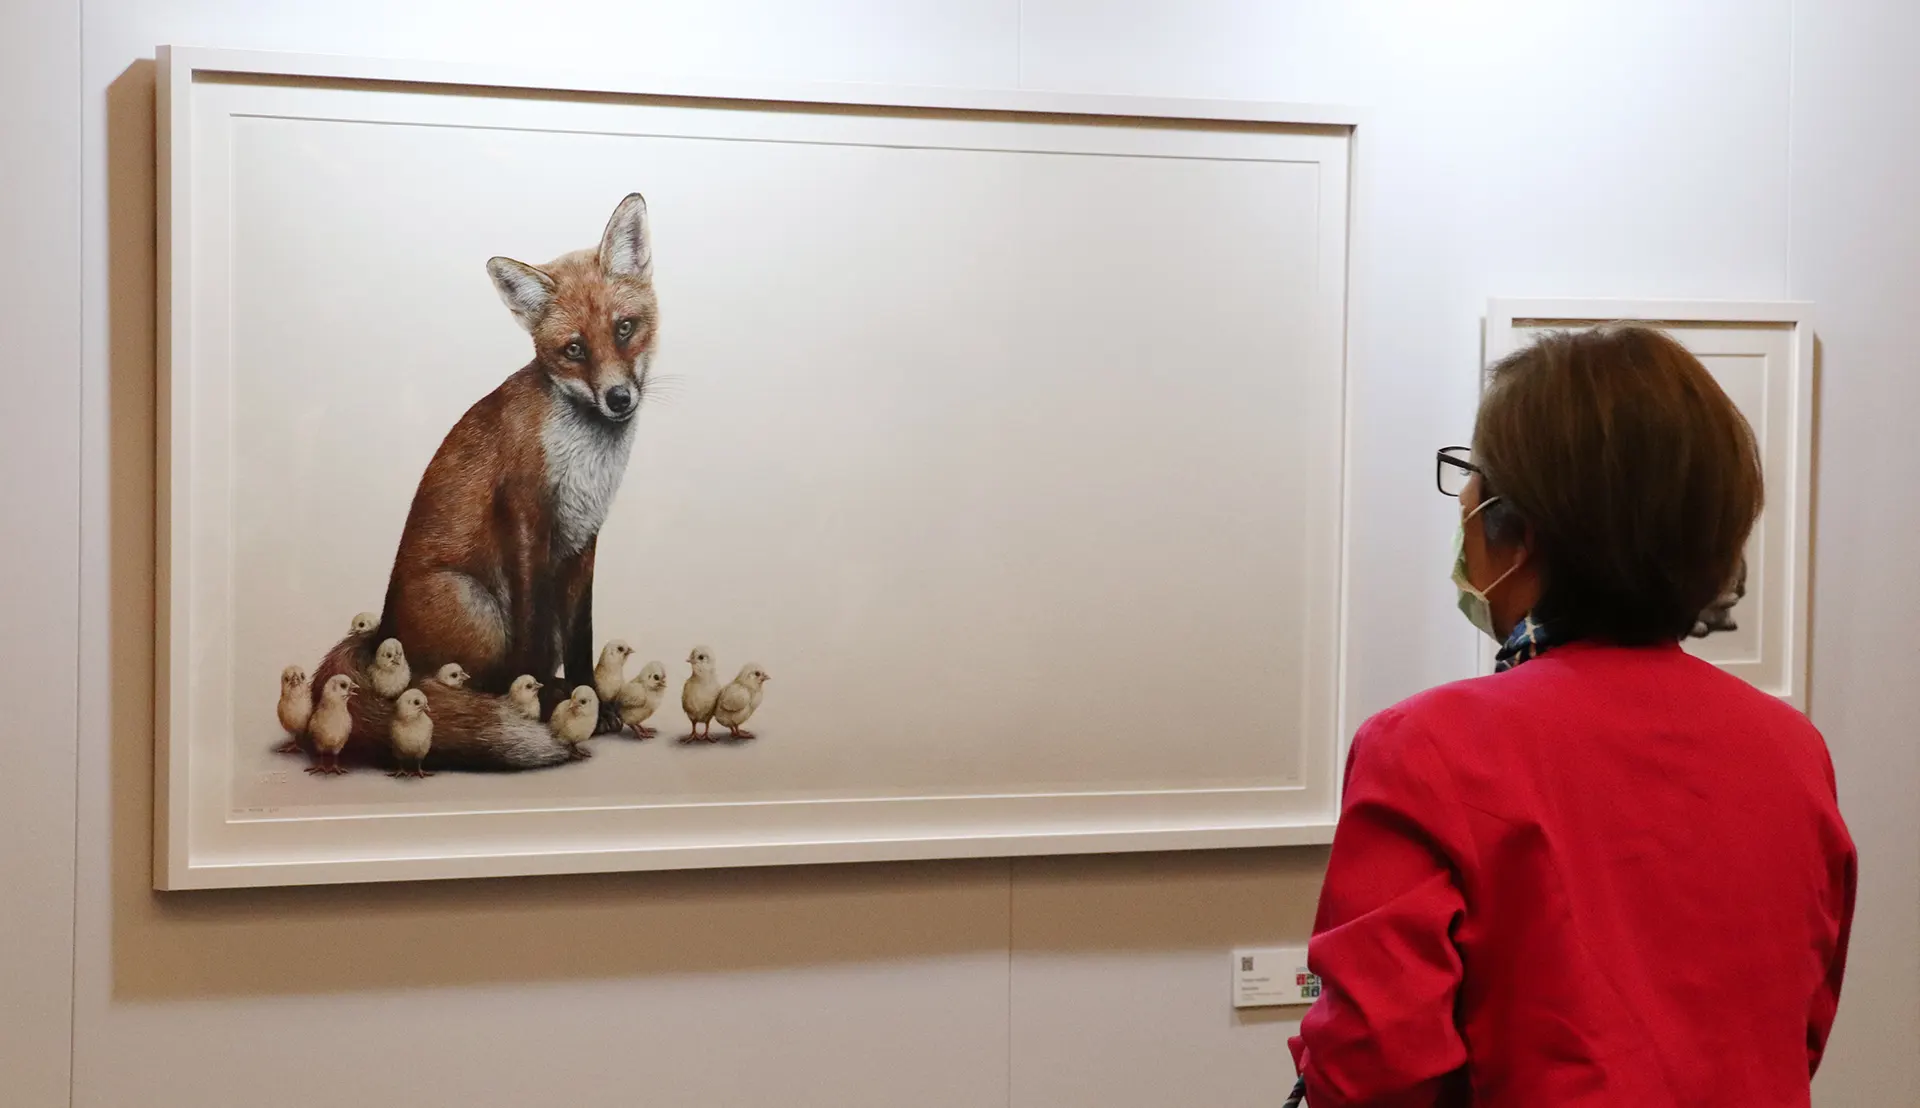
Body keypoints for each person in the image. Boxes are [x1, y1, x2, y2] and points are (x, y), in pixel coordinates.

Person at [1286, 325, 1856, 1107]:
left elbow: (1372, 1071)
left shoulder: (1427, 746)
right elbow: (1798, 1030)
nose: (1463, 506)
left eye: (1473, 481)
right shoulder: (1790, 747)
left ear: (1520, 526)